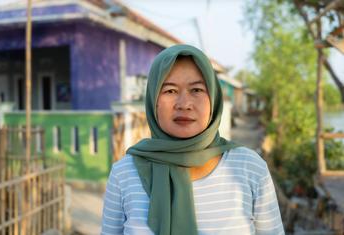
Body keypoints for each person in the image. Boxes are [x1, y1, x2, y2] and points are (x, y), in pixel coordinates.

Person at [101, 44, 284, 235]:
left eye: (196, 90)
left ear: (213, 98)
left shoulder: (249, 167)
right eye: (170, 91)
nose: (184, 104)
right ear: (153, 100)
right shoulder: (124, 174)